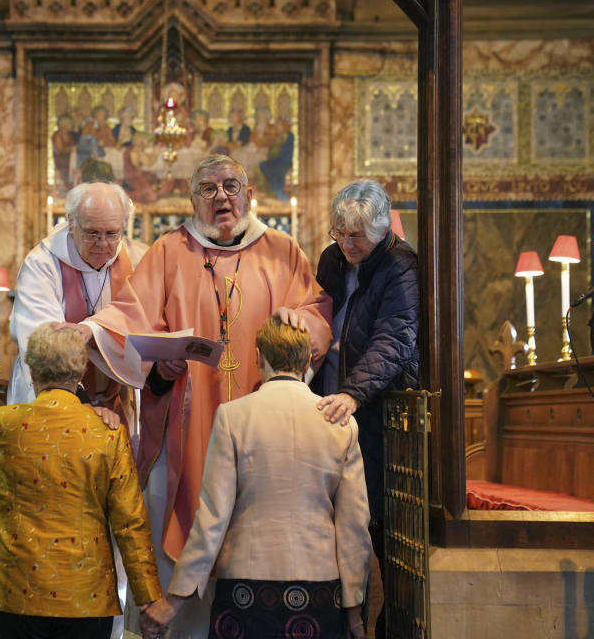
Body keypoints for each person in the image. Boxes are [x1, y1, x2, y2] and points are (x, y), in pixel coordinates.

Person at [64, 154, 332, 637]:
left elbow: (315, 310)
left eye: (231, 186)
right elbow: (129, 316)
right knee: (178, 515)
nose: (221, 197)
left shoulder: (282, 251)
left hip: (263, 429)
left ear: (250, 195)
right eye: (207, 189)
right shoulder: (168, 252)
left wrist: (305, 324)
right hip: (186, 428)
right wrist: (147, 360)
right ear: (192, 200)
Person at [140, 317, 373, 639]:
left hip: (244, 589)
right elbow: (354, 527)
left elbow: (212, 518)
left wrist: (173, 602)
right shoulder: (340, 423)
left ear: (259, 357)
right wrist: (355, 614)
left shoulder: (233, 417)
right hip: (319, 588)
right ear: (307, 360)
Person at [0, 323, 164, 639]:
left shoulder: (3, 424)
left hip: (16, 588)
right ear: (80, 373)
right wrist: (149, 597)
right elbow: (130, 523)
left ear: (33, 373)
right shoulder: (107, 433)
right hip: (86, 594)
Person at [311, 179, 419, 639]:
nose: (347, 244)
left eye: (356, 236)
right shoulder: (332, 258)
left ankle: (390, 624)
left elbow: (393, 338)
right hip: (328, 404)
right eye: (339, 232)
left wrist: (354, 393)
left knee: (378, 524)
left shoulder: (400, 265)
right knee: (328, 520)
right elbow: (316, 312)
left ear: (381, 229)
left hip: (375, 412)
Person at [9, 182, 148, 419]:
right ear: (71, 222)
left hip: (116, 397)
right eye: (93, 233)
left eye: (112, 234)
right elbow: (45, 341)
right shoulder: (42, 264)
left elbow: (141, 321)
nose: (103, 244)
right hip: (54, 403)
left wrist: (92, 329)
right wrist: (79, 405)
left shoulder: (137, 260)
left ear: (124, 225)